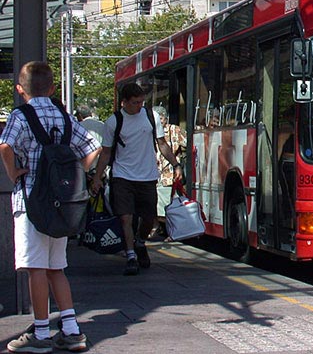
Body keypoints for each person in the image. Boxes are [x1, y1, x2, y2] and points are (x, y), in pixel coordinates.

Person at [0, 61, 100, 353]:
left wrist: (12, 172)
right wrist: (75, 175)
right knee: (57, 268)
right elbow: (93, 147)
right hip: (62, 204)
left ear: (20, 90)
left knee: (36, 269)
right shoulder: (64, 117)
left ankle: (41, 332)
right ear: (53, 88)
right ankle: (71, 330)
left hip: (31, 200)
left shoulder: (21, 115)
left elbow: (5, 146)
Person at [91, 83, 183, 276]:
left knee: (149, 218)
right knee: (126, 217)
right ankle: (131, 255)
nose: (139, 106)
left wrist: (176, 165)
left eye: (142, 102)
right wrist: (97, 178)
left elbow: (162, 144)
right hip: (122, 176)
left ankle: (140, 241)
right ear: (124, 102)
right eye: (135, 103)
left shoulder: (151, 117)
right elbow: (106, 153)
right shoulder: (113, 122)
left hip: (148, 176)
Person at [151, 105, 186, 239]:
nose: (158, 121)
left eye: (160, 118)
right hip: (153, 174)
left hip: (168, 175)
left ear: (165, 118)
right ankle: (159, 228)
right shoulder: (150, 131)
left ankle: (171, 232)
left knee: (166, 207)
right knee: (155, 206)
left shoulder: (174, 130)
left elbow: (189, 143)